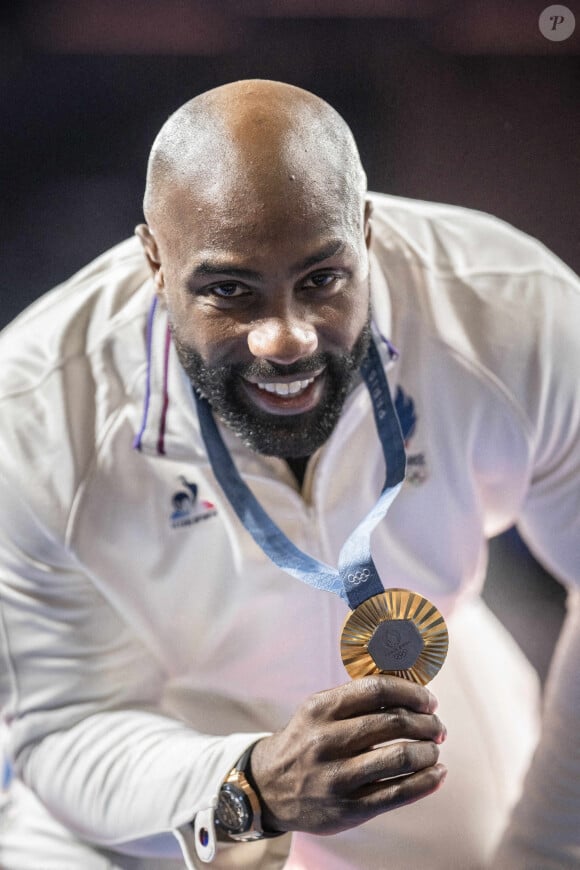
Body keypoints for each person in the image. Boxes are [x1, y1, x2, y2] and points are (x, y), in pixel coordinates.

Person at [0, 79, 578, 870]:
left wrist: (547, 848)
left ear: (366, 234)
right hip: (156, 717)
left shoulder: (513, 313)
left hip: (407, 690)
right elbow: (62, 726)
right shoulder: (34, 410)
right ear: (154, 262)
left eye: (321, 280)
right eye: (230, 291)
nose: (286, 338)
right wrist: (248, 787)